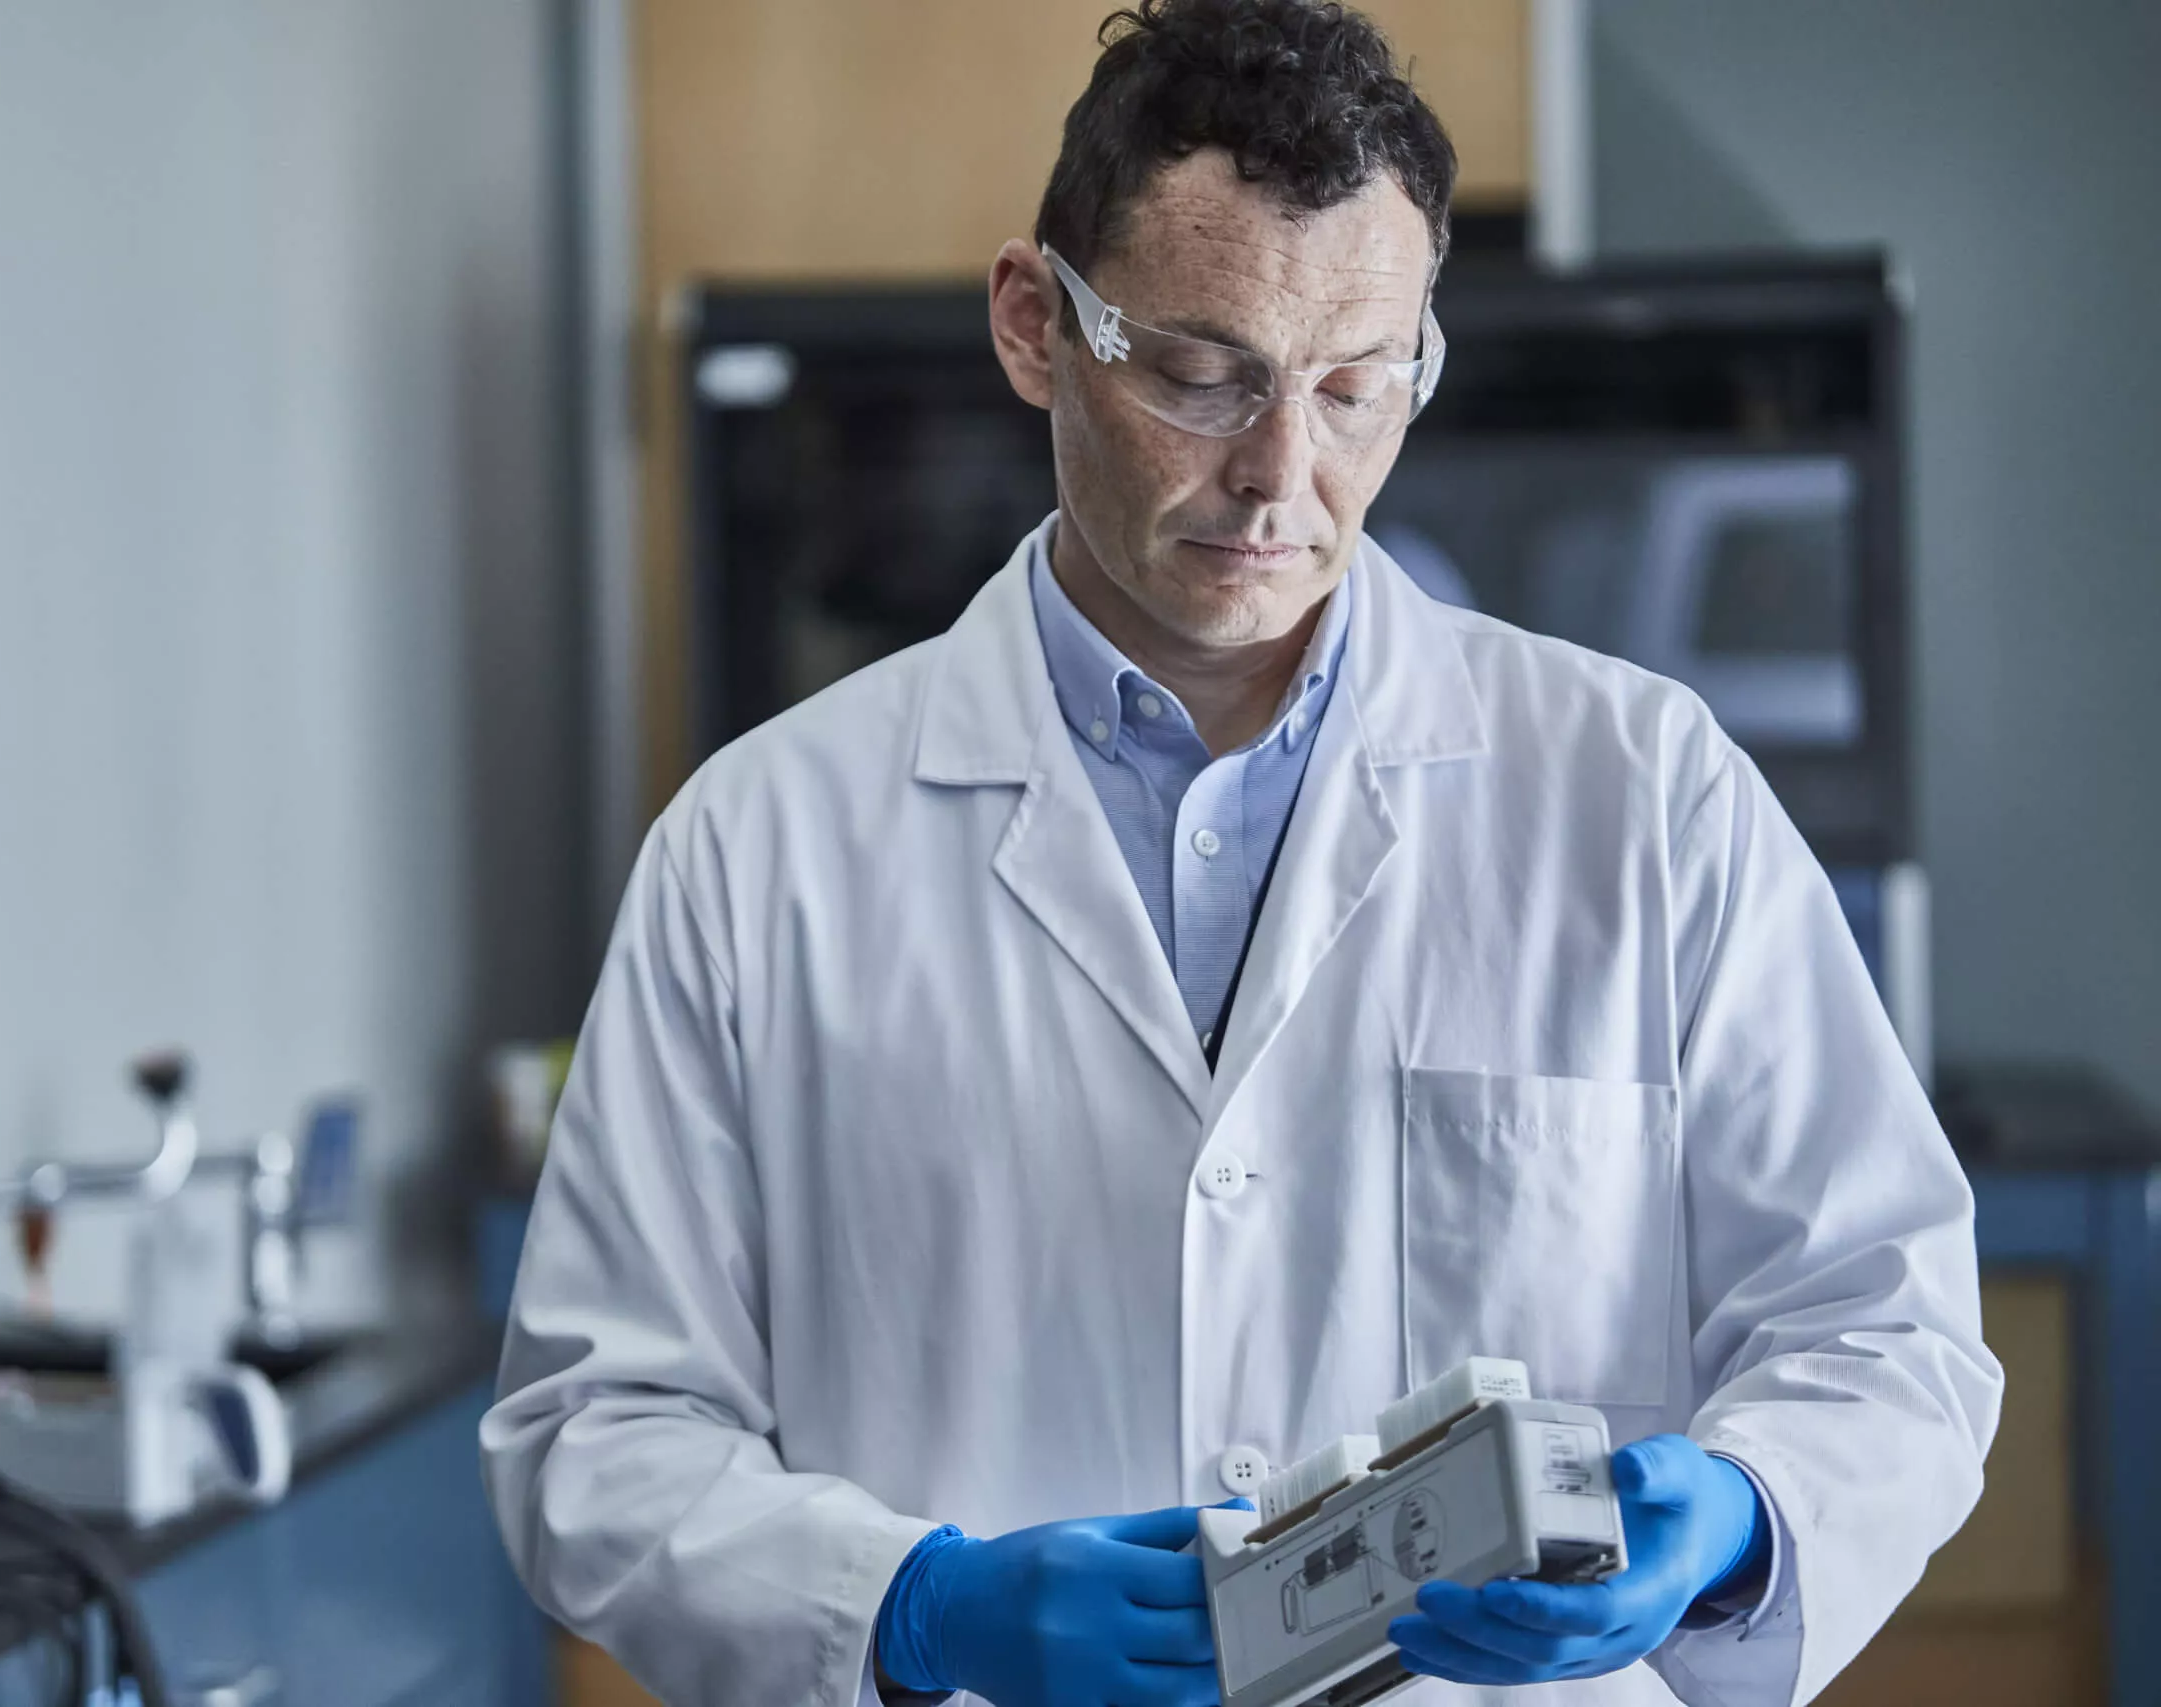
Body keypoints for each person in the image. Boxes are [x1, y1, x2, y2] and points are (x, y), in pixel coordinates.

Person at [479, 3, 2001, 1702]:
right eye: (1205, 376)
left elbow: (1885, 1328)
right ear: (1035, 326)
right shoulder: (757, 849)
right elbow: (596, 1428)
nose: (1283, 473)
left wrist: (1736, 1515)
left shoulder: (1645, 795)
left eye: (1359, 385)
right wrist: (906, 1602)